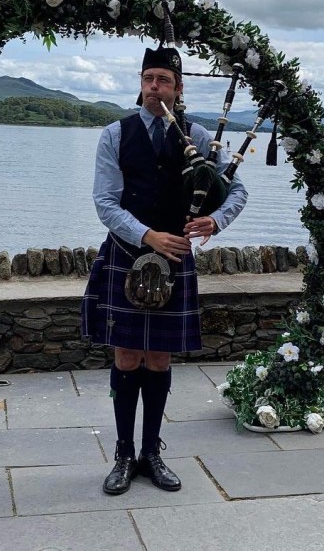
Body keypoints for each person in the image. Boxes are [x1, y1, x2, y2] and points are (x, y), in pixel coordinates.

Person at [81, 45, 248, 496]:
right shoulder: (115, 134)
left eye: (164, 80)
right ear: (140, 83)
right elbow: (105, 202)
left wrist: (215, 220)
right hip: (126, 254)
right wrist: (147, 236)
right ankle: (122, 453)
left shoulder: (198, 135)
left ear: (178, 88)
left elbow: (236, 191)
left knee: (158, 358)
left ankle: (151, 452)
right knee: (126, 357)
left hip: (174, 262)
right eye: (149, 78)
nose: (155, 87)